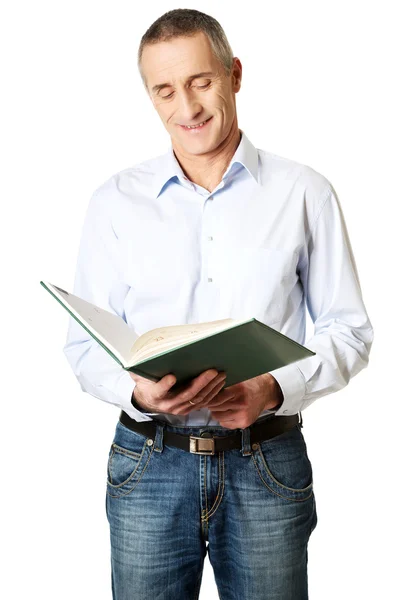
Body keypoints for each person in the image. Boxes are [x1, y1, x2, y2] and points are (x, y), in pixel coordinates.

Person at [63, 8, 374, 600]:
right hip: (148, 462)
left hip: (266, 462)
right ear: (150, 97)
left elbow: (349, 330)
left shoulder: (304, 192)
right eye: (165, 90)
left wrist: (269, 389)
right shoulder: (115, 202)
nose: (188, 107)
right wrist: (137, 389)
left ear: (233, 74)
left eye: (201, 81)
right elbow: (84, 344)